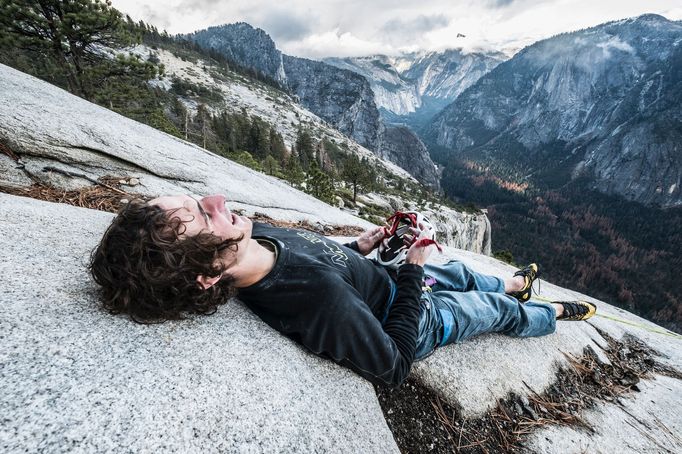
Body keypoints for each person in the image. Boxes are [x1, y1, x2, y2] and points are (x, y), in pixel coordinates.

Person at [89, 194, 596, 387]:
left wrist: (359, 244)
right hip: (412, 318)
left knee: (464, 274)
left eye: (199, 200)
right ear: (206, 275)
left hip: (391, 283)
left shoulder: (258, 238)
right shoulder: (311, 302)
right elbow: (393, 364)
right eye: (204, 217)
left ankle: (516, 282)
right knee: (489, 310)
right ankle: (547, 312)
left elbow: (319, 256)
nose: (217, 199)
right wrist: (413, 274)